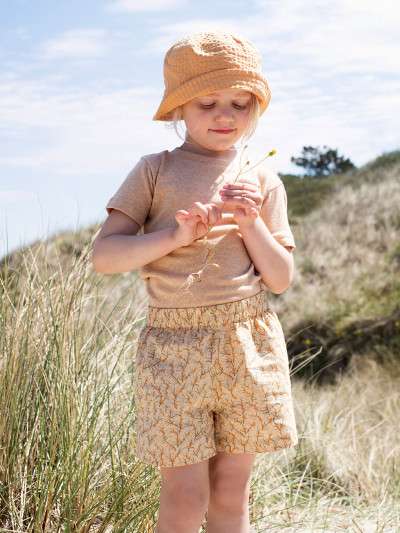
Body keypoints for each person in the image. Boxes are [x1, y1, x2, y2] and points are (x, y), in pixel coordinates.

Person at [93, 30, 298, 533]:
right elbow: (105, 256)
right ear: (180, 107)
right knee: (185, 497)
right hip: (172, 346)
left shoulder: (263, 179)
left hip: (247, 341)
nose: (224, 115)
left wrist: (250, 224)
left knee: (231, 494)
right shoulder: (153, 171)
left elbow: (280, 278)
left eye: (239, 103)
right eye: (207, 102)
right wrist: (174, 235)